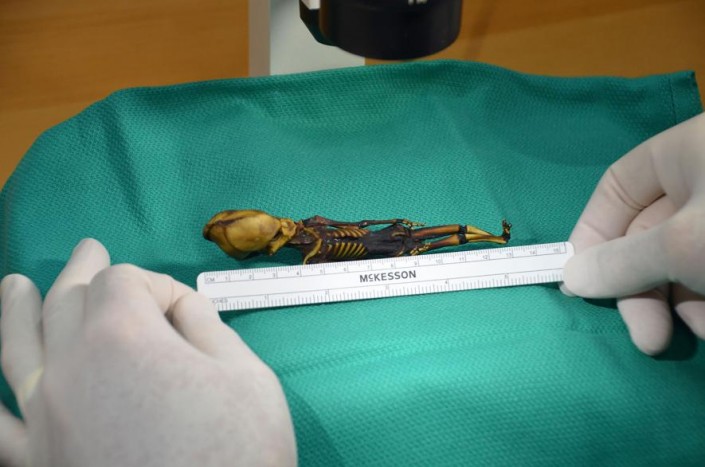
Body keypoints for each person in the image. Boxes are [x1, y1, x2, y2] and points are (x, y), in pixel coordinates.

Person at [0, 112, 703, 466]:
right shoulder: (298, 243)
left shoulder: (306, 231)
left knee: (438, 236)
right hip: (362, 242)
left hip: (380, 236)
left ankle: (486, 236)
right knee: (432, 237)